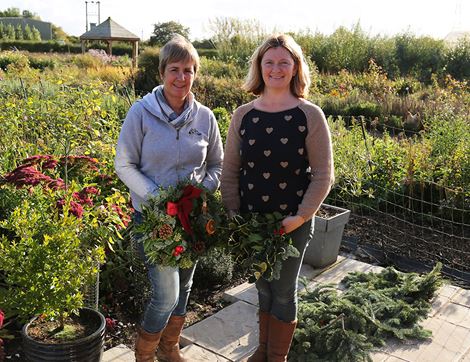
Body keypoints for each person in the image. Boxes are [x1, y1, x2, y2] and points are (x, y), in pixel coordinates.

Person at [221, 34, 334, 362]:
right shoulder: (243, 115)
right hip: (253, 223)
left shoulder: (309, 116)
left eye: (284, 62)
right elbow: (230, 171)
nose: (276, 68)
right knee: (263, 288)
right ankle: (263, 350)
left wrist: (299, 218)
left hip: (292, 222)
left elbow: (323, 176)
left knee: (283, 291)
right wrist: (233, 213)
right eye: (268, 62)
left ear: (296, 67)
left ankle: (277, 357)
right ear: (259, 67)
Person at [115, 35, 223, 362]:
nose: (181, 77)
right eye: (174, 69)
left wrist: (200, 192)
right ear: (162, 72)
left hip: (192, 219)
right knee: (166, 296)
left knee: (185, 289)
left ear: (195, 74)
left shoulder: (205, 117)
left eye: (189, 70)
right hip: (154, 220)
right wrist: (158, 197)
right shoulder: (141, 113)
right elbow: (124, 163)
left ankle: (169, 347)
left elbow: (217, 163)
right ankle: (144, 355)